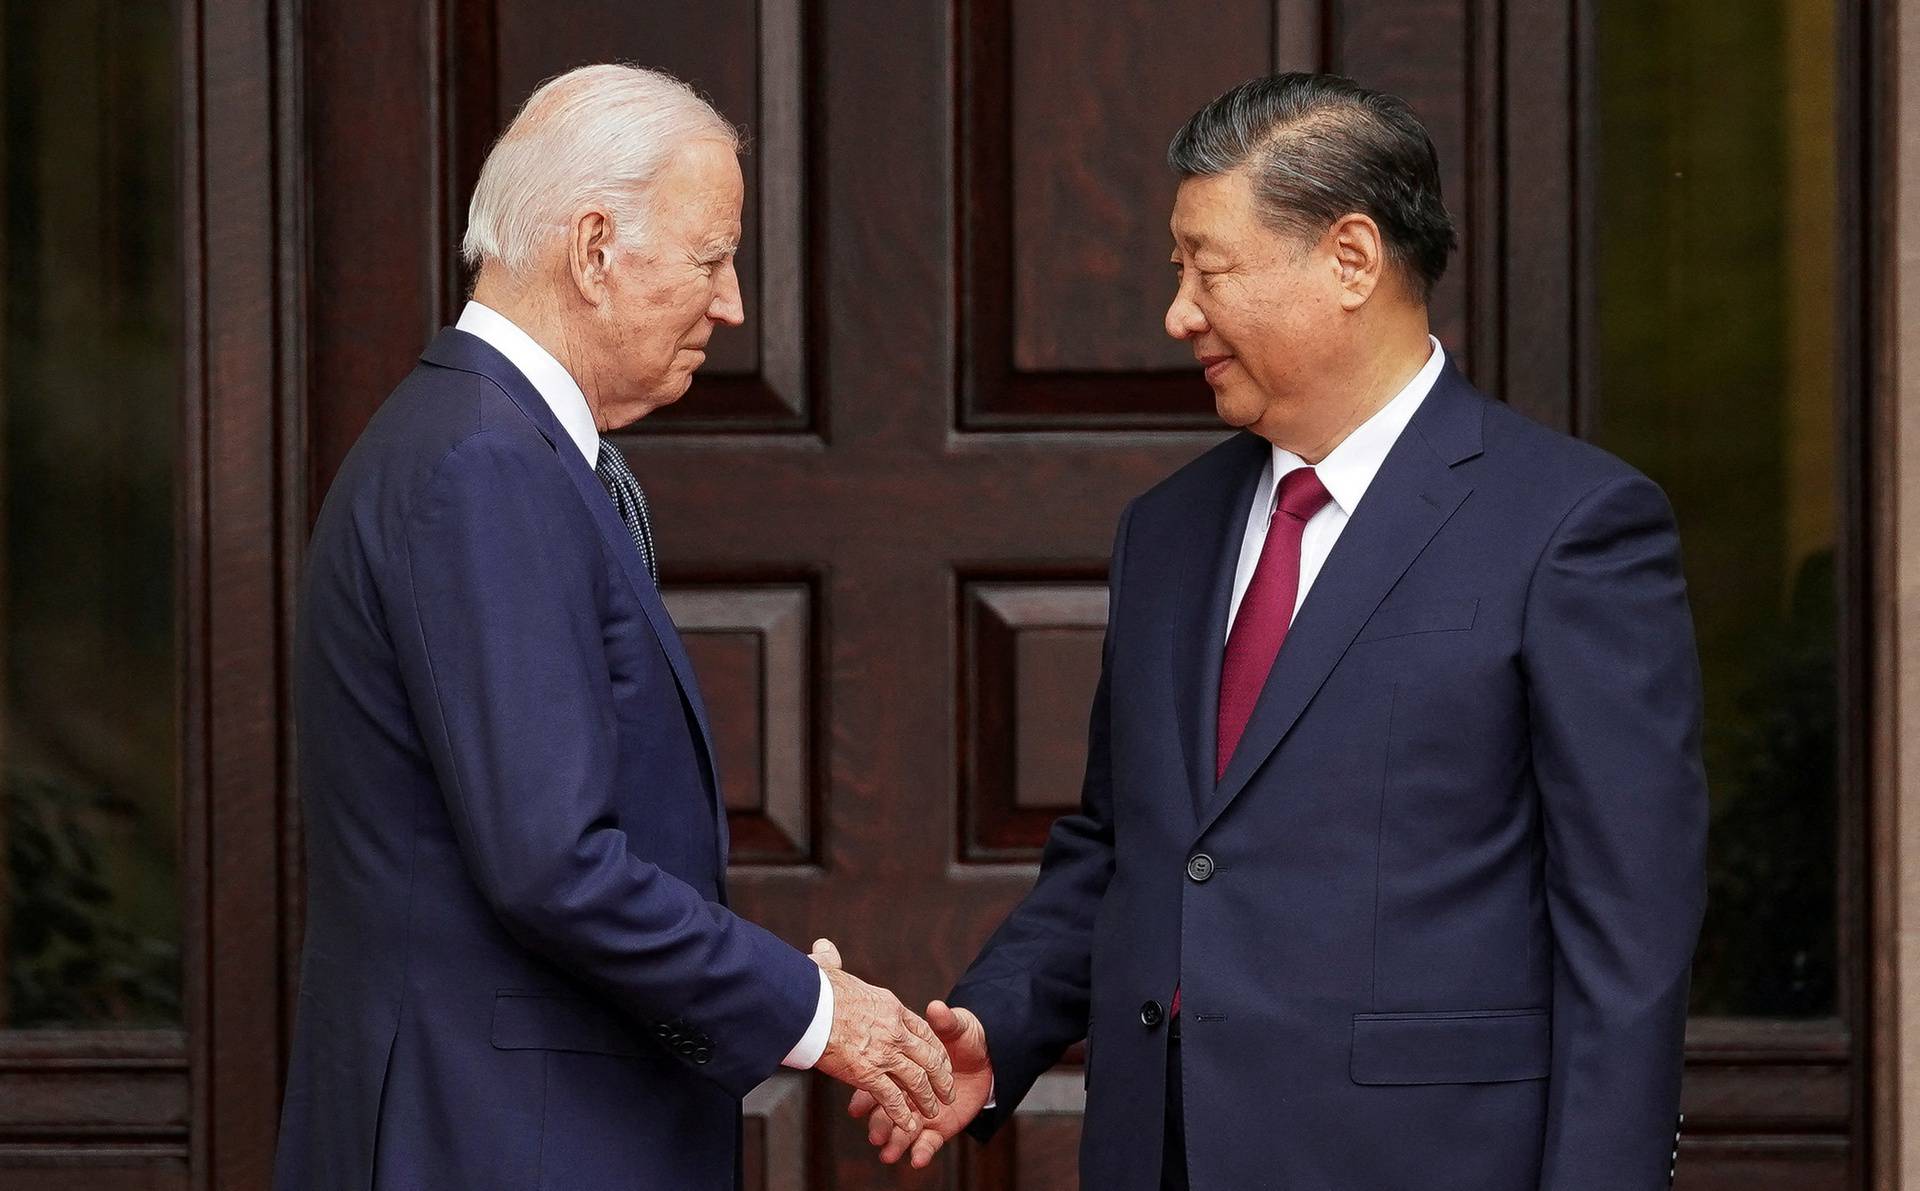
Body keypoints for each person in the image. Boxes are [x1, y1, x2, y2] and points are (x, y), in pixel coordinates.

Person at [853, 71, 1706, 1190]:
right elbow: (1125, 848)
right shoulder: (1167, 532)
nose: (1179, 314)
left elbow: (1626, 938)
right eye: (1177, 272)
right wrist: (995, 1027)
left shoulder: (1569, 529)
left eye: (1209, 270)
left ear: (1351, 259)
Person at [273, 64, 951, 1190]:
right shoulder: (484, 464)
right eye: (711, 258)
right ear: (593, 249)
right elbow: (552, 865)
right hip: (503, 1139)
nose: (732, 304)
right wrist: (818, 1012)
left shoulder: (485, 442)